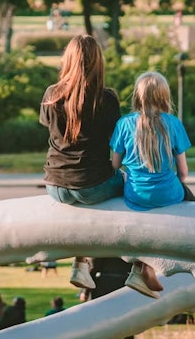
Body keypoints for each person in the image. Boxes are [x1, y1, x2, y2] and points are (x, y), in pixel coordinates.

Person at [39, 34, 123, 291]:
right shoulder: (106, 99)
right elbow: (116, 142)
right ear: (98, 63)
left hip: (55, 186)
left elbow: (47, 128)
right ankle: (139, 267)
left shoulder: (52, 95)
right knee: (131, 186)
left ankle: (80, 261)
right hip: (93, 185)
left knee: (81, 197)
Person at [111, 71, 195, 299]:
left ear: (137, 96)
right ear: (164, 96)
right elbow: (184, 173)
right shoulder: (173, 123)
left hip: (135, 195)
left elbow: (115, 165)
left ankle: (142, 266)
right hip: (170, 193)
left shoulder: (124, 124)